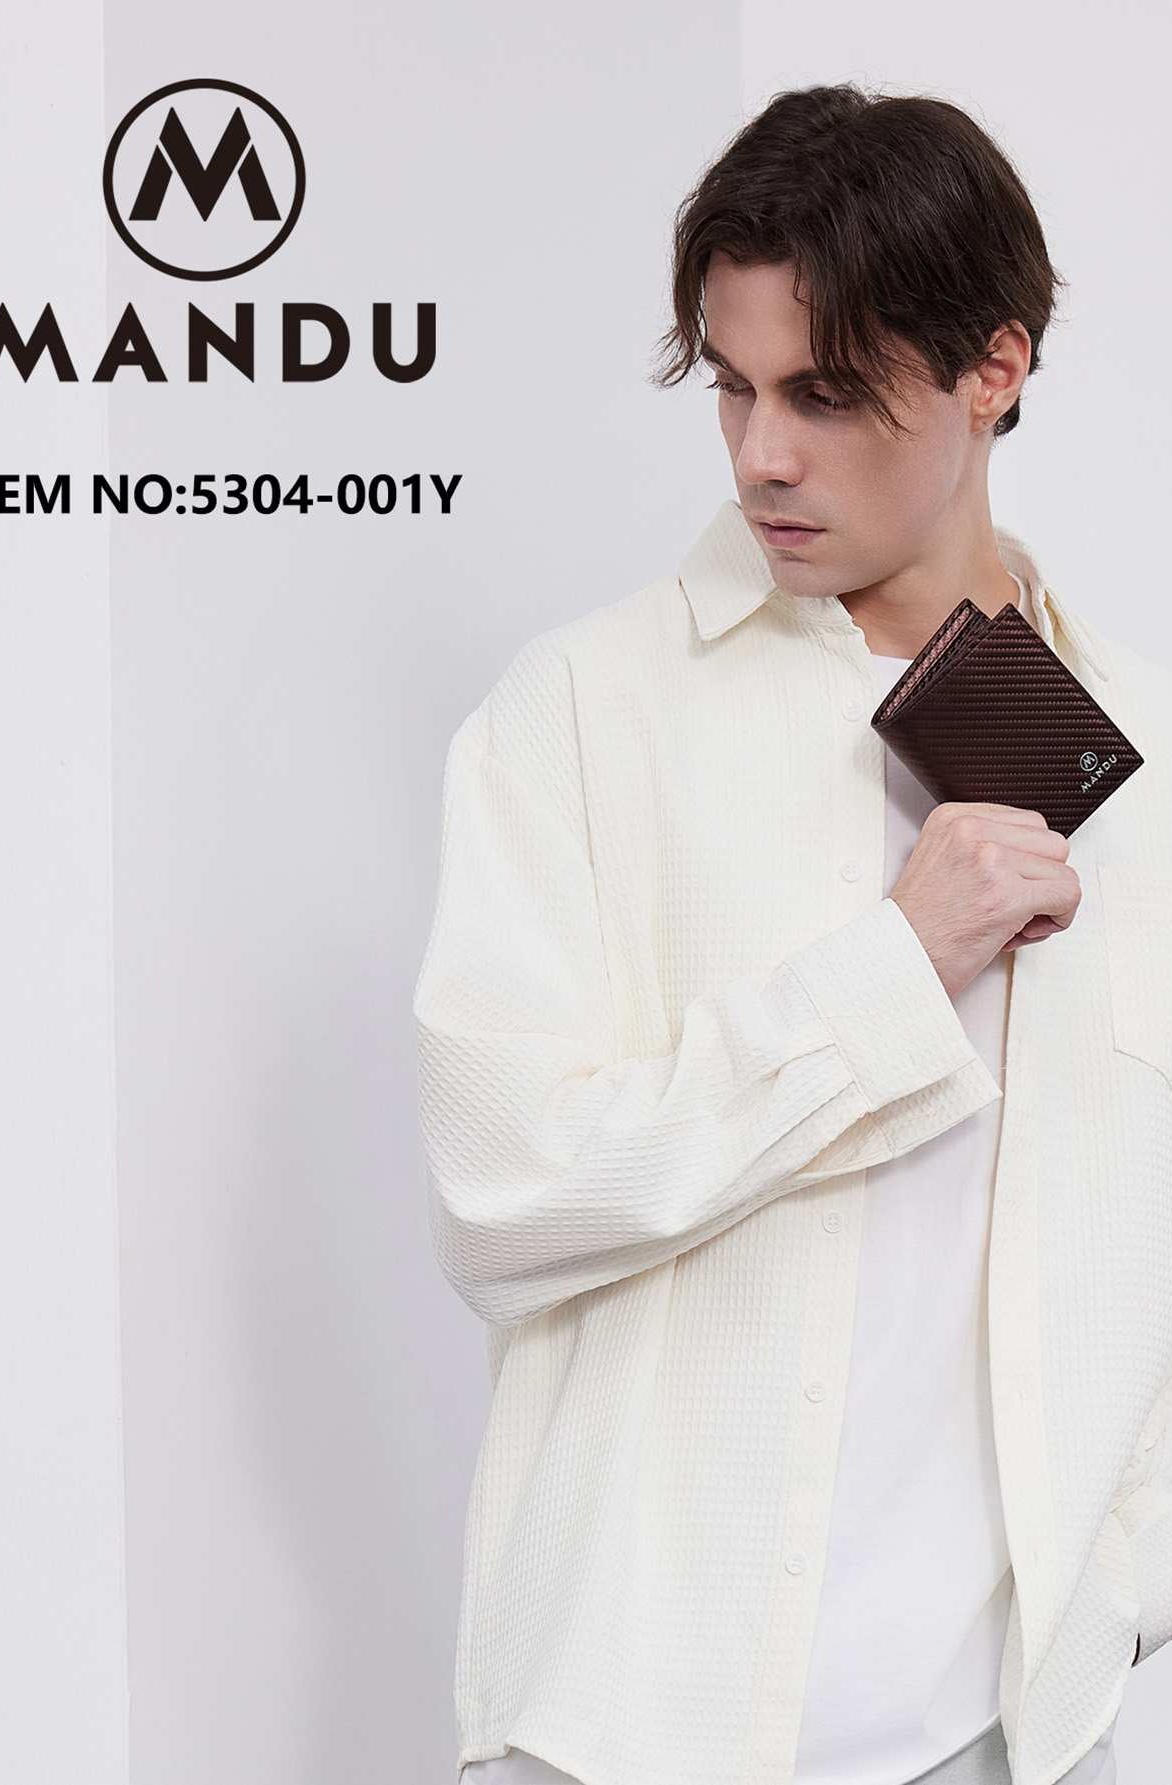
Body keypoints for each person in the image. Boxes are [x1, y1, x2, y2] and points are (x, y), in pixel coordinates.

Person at [413, 82, 1172, 1785]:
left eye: (825, 394)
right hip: (635, 1726)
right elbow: (498, 1196)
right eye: (733, 386)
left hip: (1010, 1738)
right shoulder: (588, 711)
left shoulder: (1149, 756)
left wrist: (1123, 1587)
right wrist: (893, 971)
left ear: (995, 370)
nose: (762, 453)